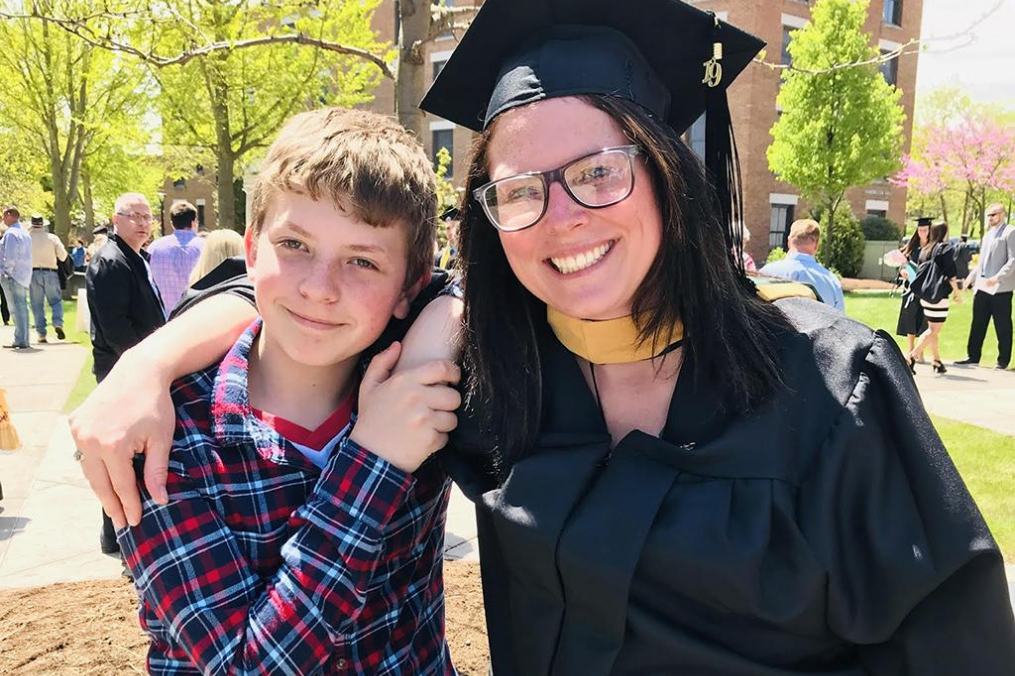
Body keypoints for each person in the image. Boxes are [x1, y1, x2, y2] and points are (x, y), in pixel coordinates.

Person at [72, 0, 1015, 673]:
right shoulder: (490, 381)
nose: (561, 217)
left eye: (599, 172)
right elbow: (313, 295)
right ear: (490, 220)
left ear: (667, 177)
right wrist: (149, 362)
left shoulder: (829, 388)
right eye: (520, 189)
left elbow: (952, 645)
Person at [89, 109, 461, 676]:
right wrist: (376, 461)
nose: (320, 289)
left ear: (409, 285)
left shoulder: (422, 381)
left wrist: (450, 312)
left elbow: (495, 279)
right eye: (295, 244)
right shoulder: (165, 434)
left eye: (362, 260)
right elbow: (250, 667)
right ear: (253, 250)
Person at [86, 193, 167, 555]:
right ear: (115, 219)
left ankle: (120, 531)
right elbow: (115, 328)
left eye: (147, 216)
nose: (142, 222)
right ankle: (115, 534)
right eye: (133, 215)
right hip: (123, 373)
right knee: (118, 454)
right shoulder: (110, 262)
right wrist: (146, 368)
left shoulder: (136, 258)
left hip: (138, 368)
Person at [956, 204, 1014, 370]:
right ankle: (972, 356)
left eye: (994, 215)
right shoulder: (987, 235)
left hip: (1000, 289)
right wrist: (970, 278)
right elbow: (981, 262)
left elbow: (1013, 260)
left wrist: (997, 278)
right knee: (978, 323)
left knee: (1002, 325)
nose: (990, 218)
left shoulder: (1010, 232)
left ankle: (1003, 360)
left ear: (1002, 215)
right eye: (988, 215)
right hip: (982, 288)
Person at [907, 222, 962, 374]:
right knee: (933, 331)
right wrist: (957, 294)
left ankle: (936, 361)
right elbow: (951, 274)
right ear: (944, 233)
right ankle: (912, 356)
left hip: (926, 295)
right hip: (939, 295)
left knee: (933, 329)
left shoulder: (926, 250)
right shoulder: (944, 249)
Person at [759, 219, 844, 310]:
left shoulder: (765, 274)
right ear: (816, 244)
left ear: (789, 241)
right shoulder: (831, 281)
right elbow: (840, 319)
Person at [147, 200, 204, 315]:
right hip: (198, 314)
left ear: (172, 224)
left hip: (165, 318)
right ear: (194, 223)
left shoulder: (154, 249)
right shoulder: (206, 247)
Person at [895, 216, 931, 361]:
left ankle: (920, 350)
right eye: (920, 230)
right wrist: (902, 272)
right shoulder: (912, 247)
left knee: (924, 318)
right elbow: (903, 264)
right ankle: (910, 349)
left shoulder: (933, 247)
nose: (922, 232)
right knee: (910, 315)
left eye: (925, 230)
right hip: (910, 287)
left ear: (929, 230)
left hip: (926, 288)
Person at [28, 214, 68, 342]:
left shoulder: (27, 238)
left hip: (33, 273)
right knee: (55, 301)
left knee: (37, 304)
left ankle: (42, 333)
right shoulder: (52, 238)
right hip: (50, 272)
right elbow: (63, 256)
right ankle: (57, 323)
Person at [0, 206, 33, 349]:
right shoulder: (24, 232)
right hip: (23, 274)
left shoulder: (11, 233)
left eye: (3, 216)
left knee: (15, 307)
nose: (2, 219)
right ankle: (23, 338)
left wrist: (6, 271)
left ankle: (20, 339)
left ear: (8, 215)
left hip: (13, 275)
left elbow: (10, 256)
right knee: (22, 307)